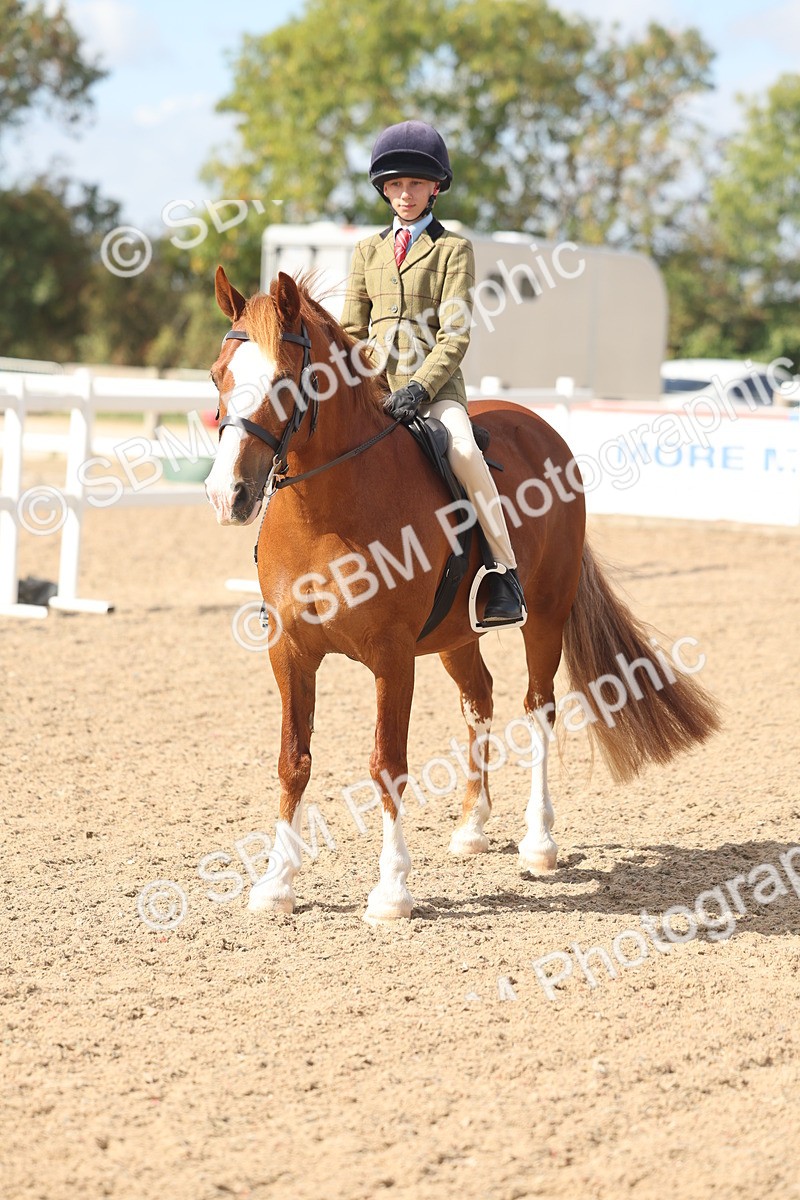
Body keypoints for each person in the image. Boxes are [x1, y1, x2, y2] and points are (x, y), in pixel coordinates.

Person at [341, 120, 526, 626]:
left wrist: (421, 385)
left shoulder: (453, 250)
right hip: (375, 391)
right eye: (396, 185)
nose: (405, 194)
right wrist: (358, 379)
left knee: (465, 453)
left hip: (435, 389)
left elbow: (456, 334)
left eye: (416, 184)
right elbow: (352, 328)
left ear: (435, 188)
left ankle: (504, 573)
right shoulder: (367, 251)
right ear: (384, 188)